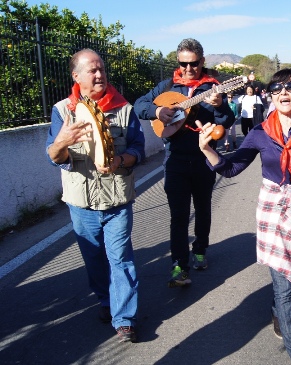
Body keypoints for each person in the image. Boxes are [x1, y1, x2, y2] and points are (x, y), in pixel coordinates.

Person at [196, 69, 291, 365]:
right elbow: (231, 168)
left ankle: (277, 309)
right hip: (274, 217)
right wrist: (208, 149)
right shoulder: (260, 132)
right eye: (277, 87)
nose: (283, 91)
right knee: (286, 290)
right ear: (270, 94)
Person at [46, 49, 145, 342]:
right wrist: (62, 140)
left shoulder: (124, 109)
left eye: (101, 69)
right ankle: (106, 300)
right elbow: (54, 156)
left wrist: (121, 161)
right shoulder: (62, 110)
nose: (99, 74)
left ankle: (124, 318)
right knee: (94, 259)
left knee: (121, 258)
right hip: (81, 203)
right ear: (76, 76)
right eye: (92, 70)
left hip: (117, 200)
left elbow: (139, 148)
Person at [134, 38, 235, 287]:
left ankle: (200, 248)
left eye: (193, 64)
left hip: (203, 159)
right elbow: (139, 105)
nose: (188, 69)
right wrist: (157, 112)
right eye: (183, 64)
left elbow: (228, 120)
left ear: (201, 61)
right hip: (175, 160)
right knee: (178, 215)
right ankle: (179, 264)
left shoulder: (213, 87)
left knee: (202, 208)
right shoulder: (168, 86)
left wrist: (220, 105)